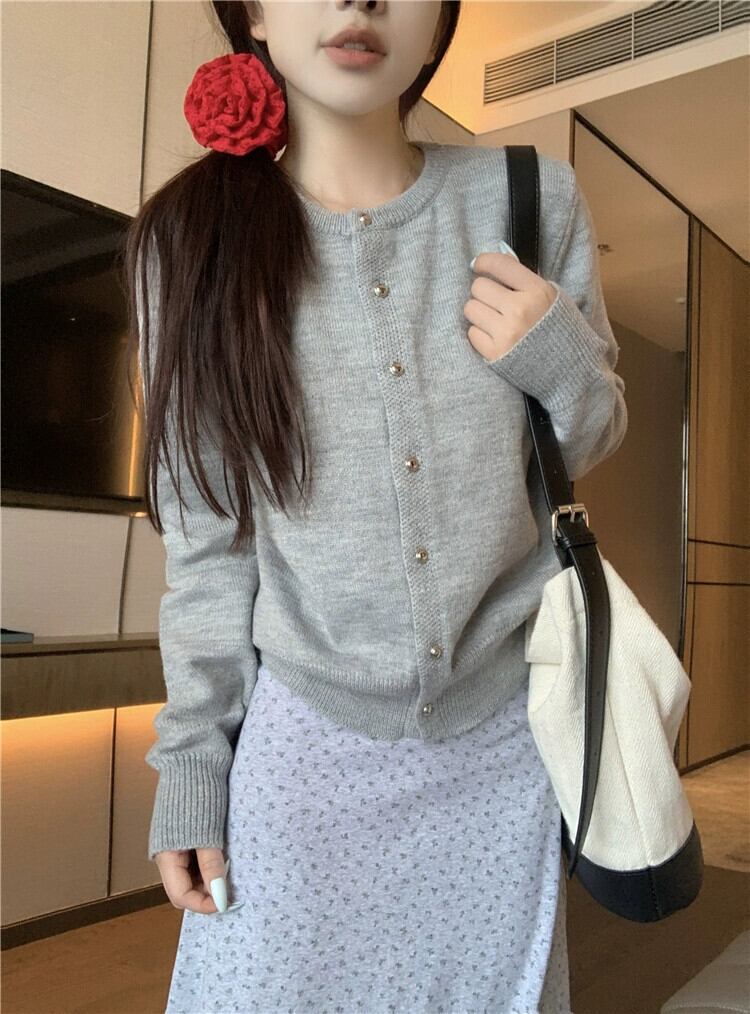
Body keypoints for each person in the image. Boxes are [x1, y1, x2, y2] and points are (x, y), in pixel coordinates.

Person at [124, 1, 628, 1011]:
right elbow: (209, 544)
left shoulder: (532, 198)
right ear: (252, 12)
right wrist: (192, 767)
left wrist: (556, 355)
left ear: (440, 20)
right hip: (300, 758)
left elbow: (587, 437)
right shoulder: (188, 242)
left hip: (502, 754)